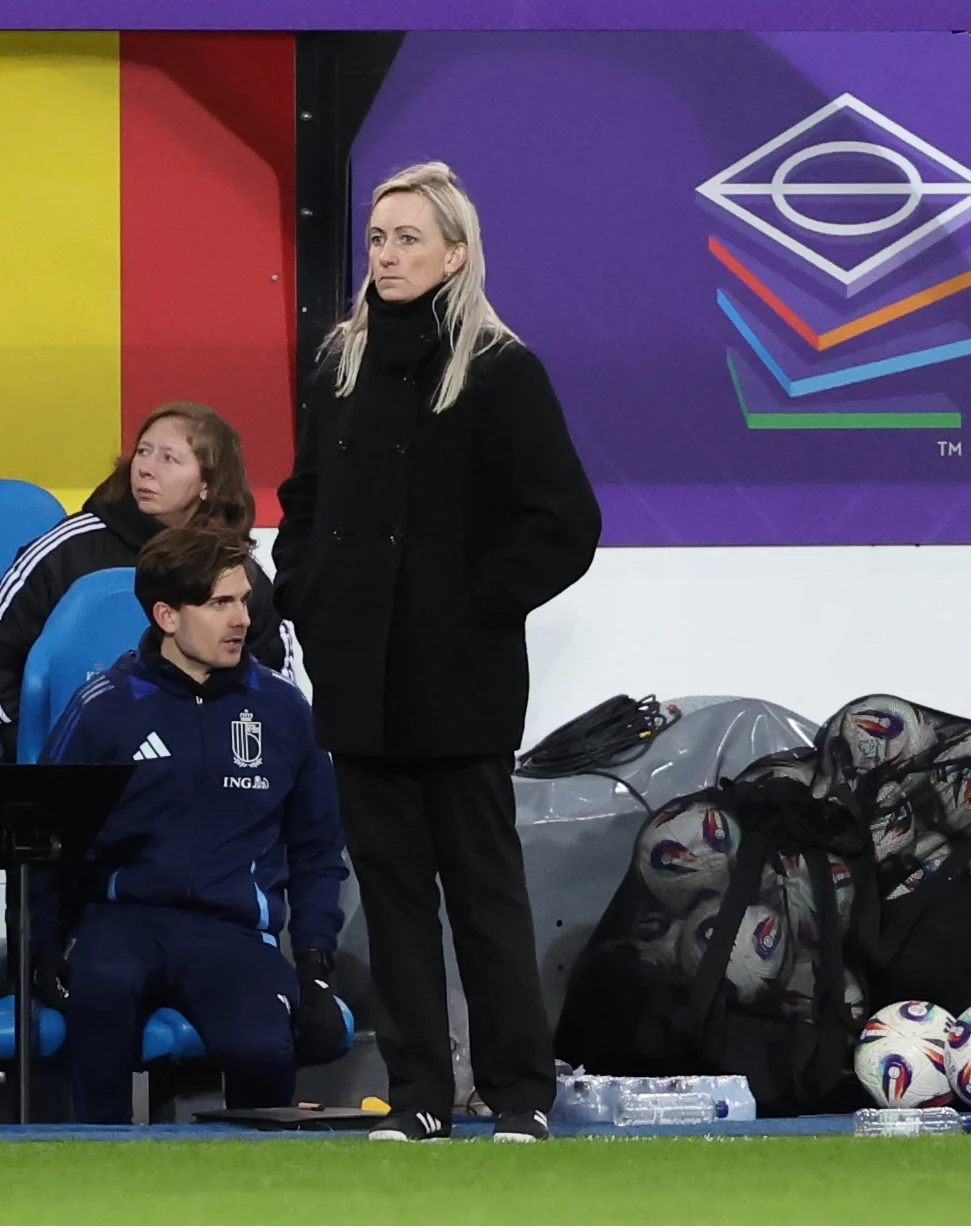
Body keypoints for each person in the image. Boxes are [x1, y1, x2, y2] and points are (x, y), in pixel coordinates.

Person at [273, 162, 601, 1143]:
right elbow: (304, 502)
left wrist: (471, 606)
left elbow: (564, 521)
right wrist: (306, 593)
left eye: (408, 237)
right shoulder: (338, 362)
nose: (387, 253)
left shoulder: (502, 370)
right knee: (392, 897)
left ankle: (517, 1095)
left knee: (485, 894)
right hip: (358, 681)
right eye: (378, 237)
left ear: (455, 251)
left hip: (459, 685)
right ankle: (415, 1094)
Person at [39, 528, 349, 1124]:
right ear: (167, 616)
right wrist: (45, 945)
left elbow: (317, 850)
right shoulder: (103, 706)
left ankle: (258, 1192)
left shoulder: (285, 712)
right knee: (100, 998)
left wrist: (314, 961)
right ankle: (90, 1176)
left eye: (243, 599)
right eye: (219, 603)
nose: (241, 618)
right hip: (122, 922)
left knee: (262, 1046)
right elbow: (46, 838)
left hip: (232, 932)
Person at [0, 402, 286, 762]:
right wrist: (31, 742)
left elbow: (274, 677)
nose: (145, 468)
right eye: (143, 452)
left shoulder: (238, 570)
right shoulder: (69, 548)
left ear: (207, 485)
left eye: (169, 459)